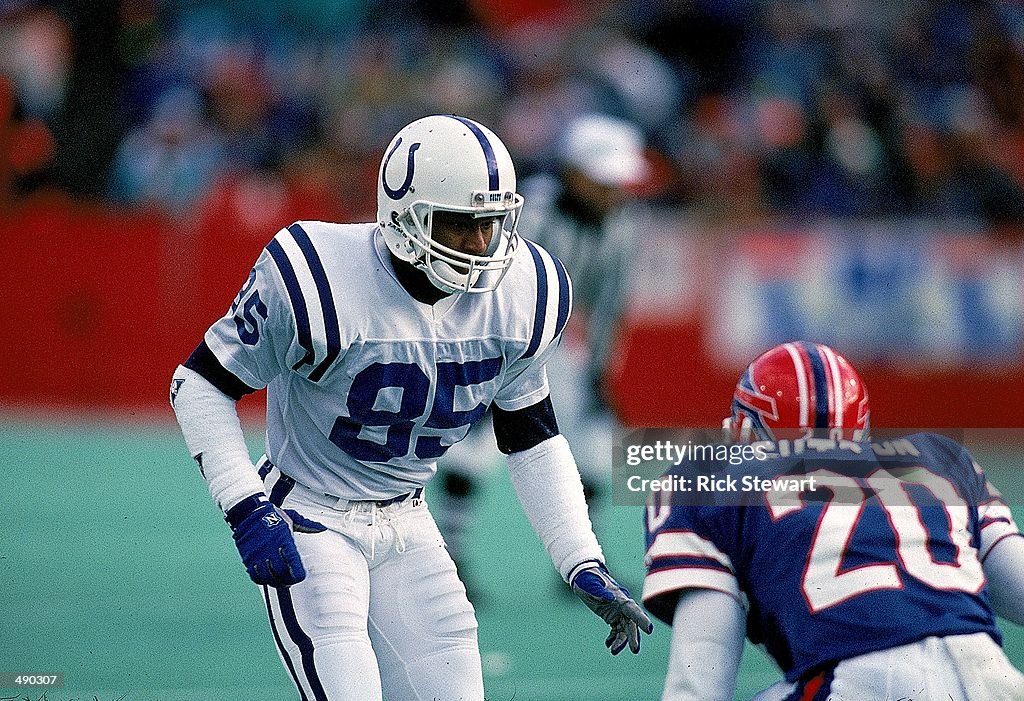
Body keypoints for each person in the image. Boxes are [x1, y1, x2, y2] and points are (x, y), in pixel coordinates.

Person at [168, 114, 652, 701]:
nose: (482, 245)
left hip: (410, 521)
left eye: (492, 224)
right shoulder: (316, 274)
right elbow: (199, 383)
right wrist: (245, 506)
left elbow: (531, 433)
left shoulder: (529, 287)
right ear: (403, 213)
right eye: (460, 225)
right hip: (310, 517)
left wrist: (580, 559)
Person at [642, 341, 1024, 701]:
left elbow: (699, 681)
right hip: (992, 678)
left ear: (743, 430)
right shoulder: (942, 460)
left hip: (855, 683)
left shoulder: (703, 481)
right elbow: (1015, 579)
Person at [436, 113, 650, 583]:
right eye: (603, 181)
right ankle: (451, 554)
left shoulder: (622, 228)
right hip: (497, 342)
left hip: (556, 349)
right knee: (473, 452)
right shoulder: (527, 214)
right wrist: (485, 360)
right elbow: (487, 289)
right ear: (572, 172)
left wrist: (599, 372)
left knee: (594, 449)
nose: (614, 193)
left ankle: (583, 559)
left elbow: (609, 305)